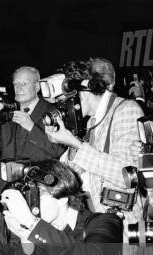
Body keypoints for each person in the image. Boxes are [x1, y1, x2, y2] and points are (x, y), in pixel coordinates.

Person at [45, 58, 144, 235]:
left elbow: (127, 176)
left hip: (122, 230)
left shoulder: (126, 109)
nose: (63, 108)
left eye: (63, 102)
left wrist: (75, 143)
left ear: (82, 93)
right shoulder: (90, 121)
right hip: (95, 223)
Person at [0, 66, 66, 196]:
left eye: (24, 84)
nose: (18, 88)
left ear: (37, 87)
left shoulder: (52, 111)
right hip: (4, 187)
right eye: (15, 84)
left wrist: (31, 127)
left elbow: (57, 151)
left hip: (37, 187)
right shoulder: (8, 112)